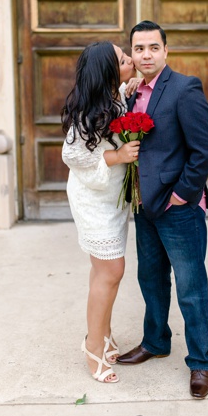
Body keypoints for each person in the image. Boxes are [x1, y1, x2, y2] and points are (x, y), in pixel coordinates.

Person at [115, 20, 208, 400]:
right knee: (151, 280)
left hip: (178, 208)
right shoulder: (130, 92)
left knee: (191, 287)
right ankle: (156, 341)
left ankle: (201, 363)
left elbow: (204, 150)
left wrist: (182, 195)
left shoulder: (184, 88)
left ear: (165, 50)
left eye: (153, 47)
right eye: (138, 48)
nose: (145, 54)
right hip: (144, 205)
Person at [61, 41, 143, 383]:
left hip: (112, 199)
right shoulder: (87, 112)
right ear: (109, 72)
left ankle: (104, 334)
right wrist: (117, 156)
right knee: (112, 270)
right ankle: (93, 345)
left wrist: (128, 86)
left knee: (104, 270)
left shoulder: (113, 96)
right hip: (92, 200)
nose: (132, 61)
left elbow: (118, 100)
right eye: (125, 60)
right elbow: (73, 156)